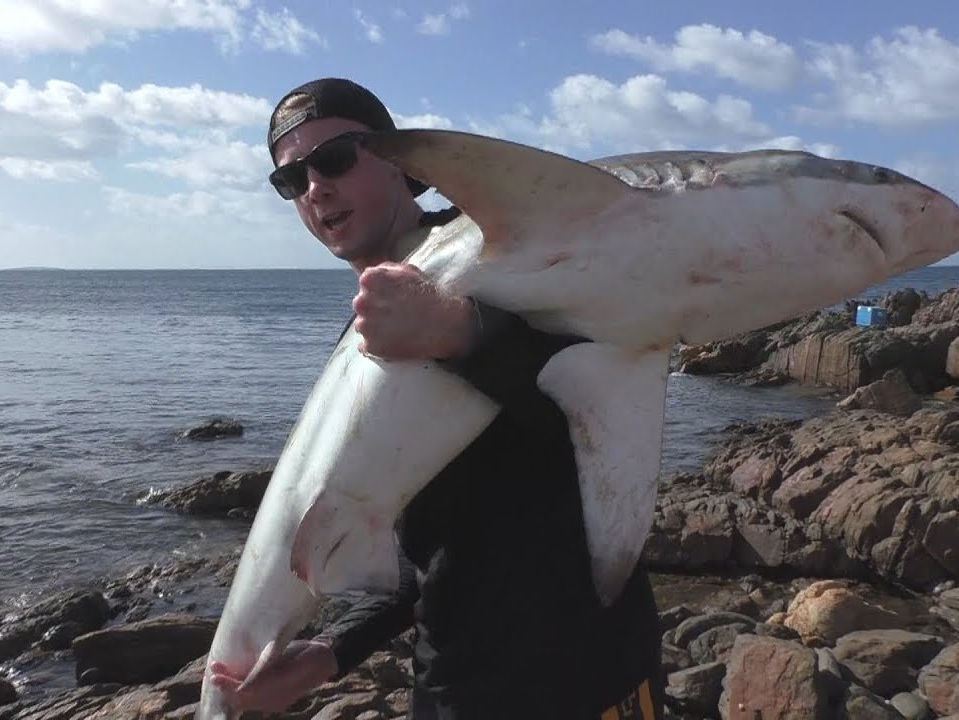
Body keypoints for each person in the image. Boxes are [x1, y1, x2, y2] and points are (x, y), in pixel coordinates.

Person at [209, 77, 664, 720]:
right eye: (292, 180)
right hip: (459, 689)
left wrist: (463, 334)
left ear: (401, 162)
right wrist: (333, 652)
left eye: (335, 159)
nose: (316, 188)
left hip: (595, 676)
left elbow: (604, 416)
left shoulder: (504, 252)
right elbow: (418, 548)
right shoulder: (359, 348)